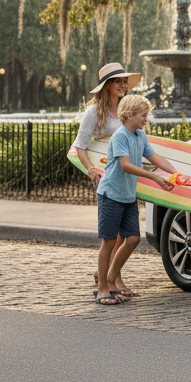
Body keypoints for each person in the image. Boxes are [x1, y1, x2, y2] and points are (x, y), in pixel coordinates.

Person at [94, 94, 179, 305]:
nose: (146, 119)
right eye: (143, 115)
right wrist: (154, 176)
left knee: (132, 239)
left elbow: (154, 157)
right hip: (111, 195)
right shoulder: (120, 136)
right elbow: (125, 165)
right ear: (130, 115)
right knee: (109, 241)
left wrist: (175, 173)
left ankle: (112, 278)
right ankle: (103, 288)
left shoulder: (140, 136)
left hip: (127, 196)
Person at [71, 62, 141, 299]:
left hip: (127, 174)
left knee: (125, 234)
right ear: (107, 86)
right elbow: (79, 146)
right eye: (117, 82)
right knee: (114, 235)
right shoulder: (94, 112)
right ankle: (109, 281)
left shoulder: (126, 108)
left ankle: (112, 277)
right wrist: (91, 169)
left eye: (125, 82)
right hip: (106, 176)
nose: (123, 86)